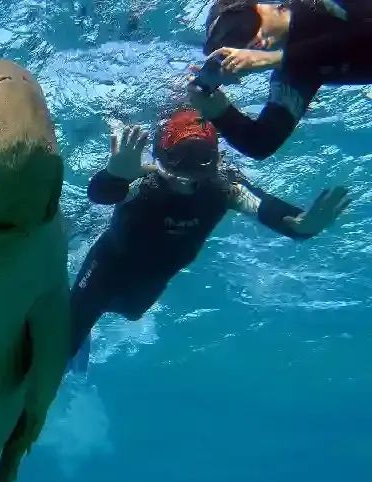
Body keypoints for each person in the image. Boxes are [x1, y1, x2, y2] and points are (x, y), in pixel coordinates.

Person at [67, 107, 350, 375]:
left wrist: (302, 226)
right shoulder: (144, 179)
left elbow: (271, 211)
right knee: (72, 327)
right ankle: (72, 330)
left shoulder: (225, 187)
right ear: (160, 158)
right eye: (176, 171)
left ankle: (83, 327)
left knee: (128, 312)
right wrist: (115, 175)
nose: (183, 183)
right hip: (106, 269)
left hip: (149, 283)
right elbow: (102, 195)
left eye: (194, 175)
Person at [186, 0, 372, 160]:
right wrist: (221, 112)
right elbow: (260, 143)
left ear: (272, 6)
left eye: (243, 23)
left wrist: (274, 58)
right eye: (234, 40)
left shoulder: (323, 5)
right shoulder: (294, 75)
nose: (251, 40)